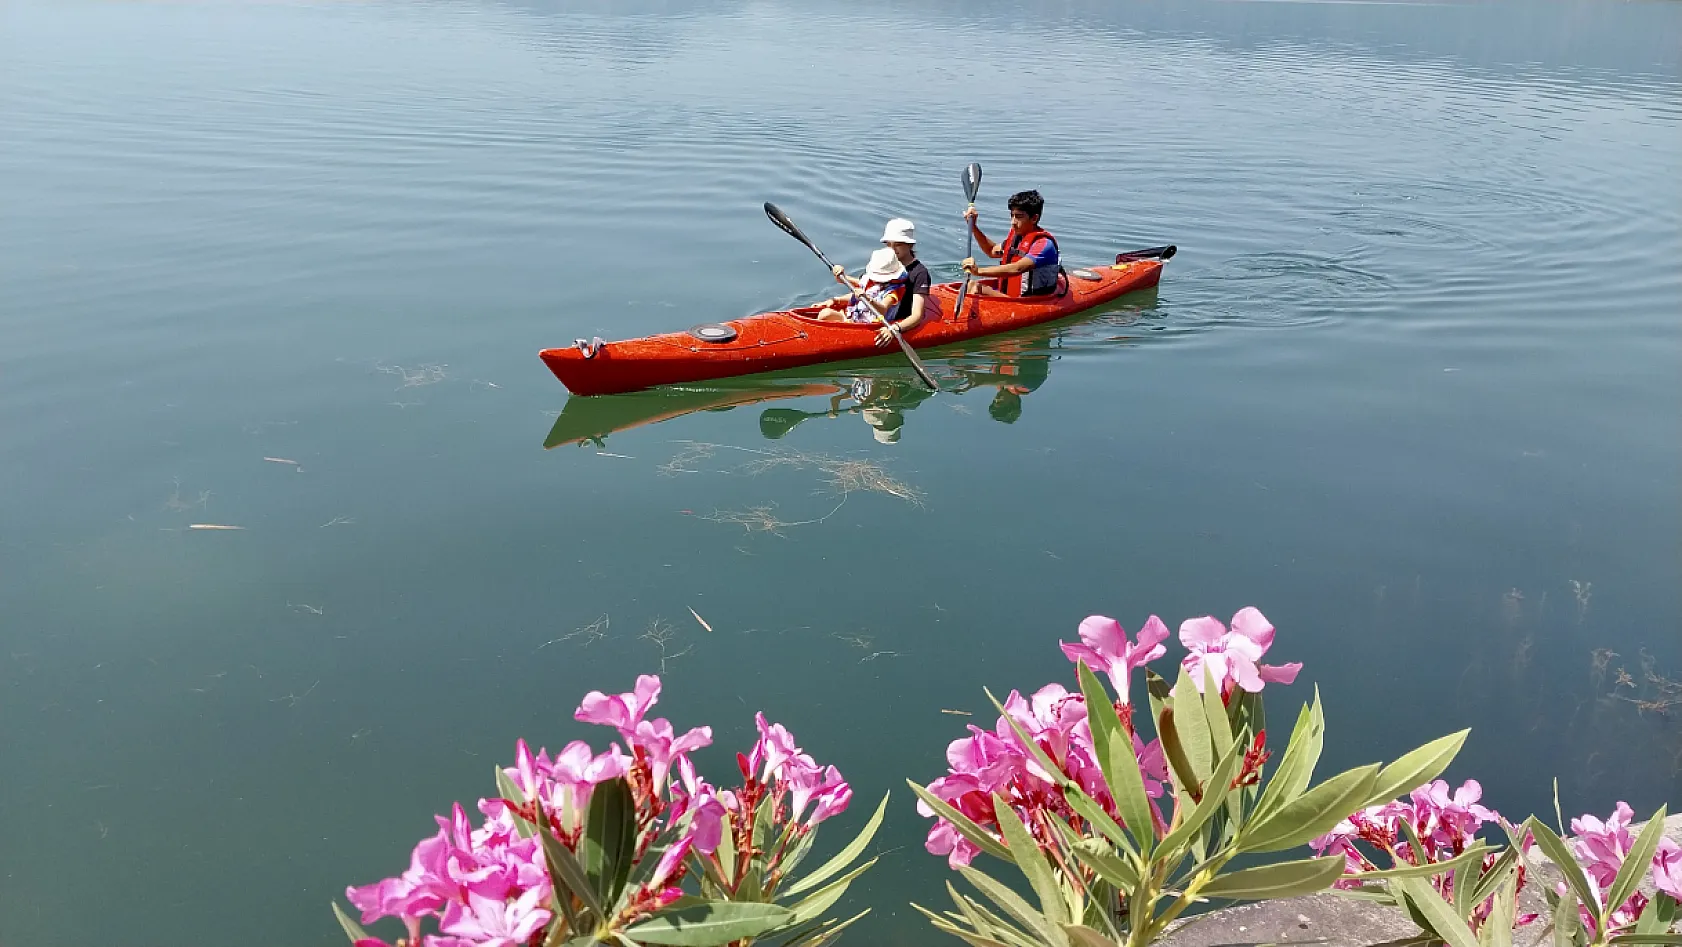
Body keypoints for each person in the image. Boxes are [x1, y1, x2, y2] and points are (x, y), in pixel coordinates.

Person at [818, 218, 933, 347]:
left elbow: (917, 315)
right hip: (867, 312)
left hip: (890, 319)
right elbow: (867, 287)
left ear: (910, 245)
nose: (892, 249)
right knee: (825, 314)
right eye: (889, 244)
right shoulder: (884, 261)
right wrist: (838, 293)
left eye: (898, 244)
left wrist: (895, 329)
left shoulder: (919, 273)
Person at [960, 190, 1061, 298]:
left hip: (1027, 302)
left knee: (974, 287)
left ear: (1034, 218)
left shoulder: (1044, 244)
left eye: (1019, 216)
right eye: (1012, 215)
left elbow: (1017, 268)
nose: (1013, 222)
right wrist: (974, 227)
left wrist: (979, 271)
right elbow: (991, 250)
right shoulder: (1017, 237)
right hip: (1008, 297)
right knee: (968, 286)